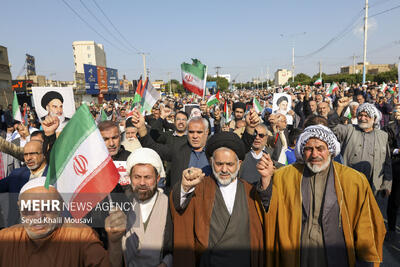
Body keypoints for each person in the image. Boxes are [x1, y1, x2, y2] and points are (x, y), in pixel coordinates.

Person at [257, 124, 386, 266]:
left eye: (320, 149)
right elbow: (269, 211)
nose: (314, 154)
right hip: (297, 256)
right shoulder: (284, 176)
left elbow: (367, 227)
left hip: (338, 256)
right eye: (308, 149)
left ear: (330, 150)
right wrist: (266, 182)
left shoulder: (354, 180)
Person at [170, 132, 264, 267]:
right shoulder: (199, 187)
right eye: (219, 164)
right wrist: (184, 187)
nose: (224, 169)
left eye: (230, 164)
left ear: (239, 164)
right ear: (211, 162)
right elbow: (179, 206)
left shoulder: (250, 191)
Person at [130, 108, 259, 190]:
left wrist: (250, 128)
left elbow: (242, 148)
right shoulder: (178, 150)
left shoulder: (216, 150)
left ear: (207, 132)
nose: (195, 136)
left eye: (199, 132)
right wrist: (141, 127)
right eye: (191, 132)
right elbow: (152, 147)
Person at [0, 177, 109, 266]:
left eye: (47, 208)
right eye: (30, 208)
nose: (39, 216)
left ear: (60, 207)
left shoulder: (81, 235)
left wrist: (115, 243)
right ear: (20, 208)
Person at [105, 148, 172, 267]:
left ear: (157, 179)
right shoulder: (122, 204)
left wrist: (166, 263)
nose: (142, 183)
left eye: (147, 177)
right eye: (137, 177)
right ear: (130, 178)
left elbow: (178, 244)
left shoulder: (168, 203)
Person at [334, 100, 392, 199]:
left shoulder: (383, 136)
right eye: (360, 115)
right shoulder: (349, 129)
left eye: (367, 115)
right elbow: (332, 127)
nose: (363, 118)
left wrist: (387, 185)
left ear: (374, 118)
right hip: (350, 182)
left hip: (374, 186)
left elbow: (387, 162)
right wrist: (339, 108)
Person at [0, 140, 48, 226]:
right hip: (17, 230)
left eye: (33, 154)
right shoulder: (17, 174)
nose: (28, 158)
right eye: (25, 154)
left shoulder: (54, 175)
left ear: (44, 155)